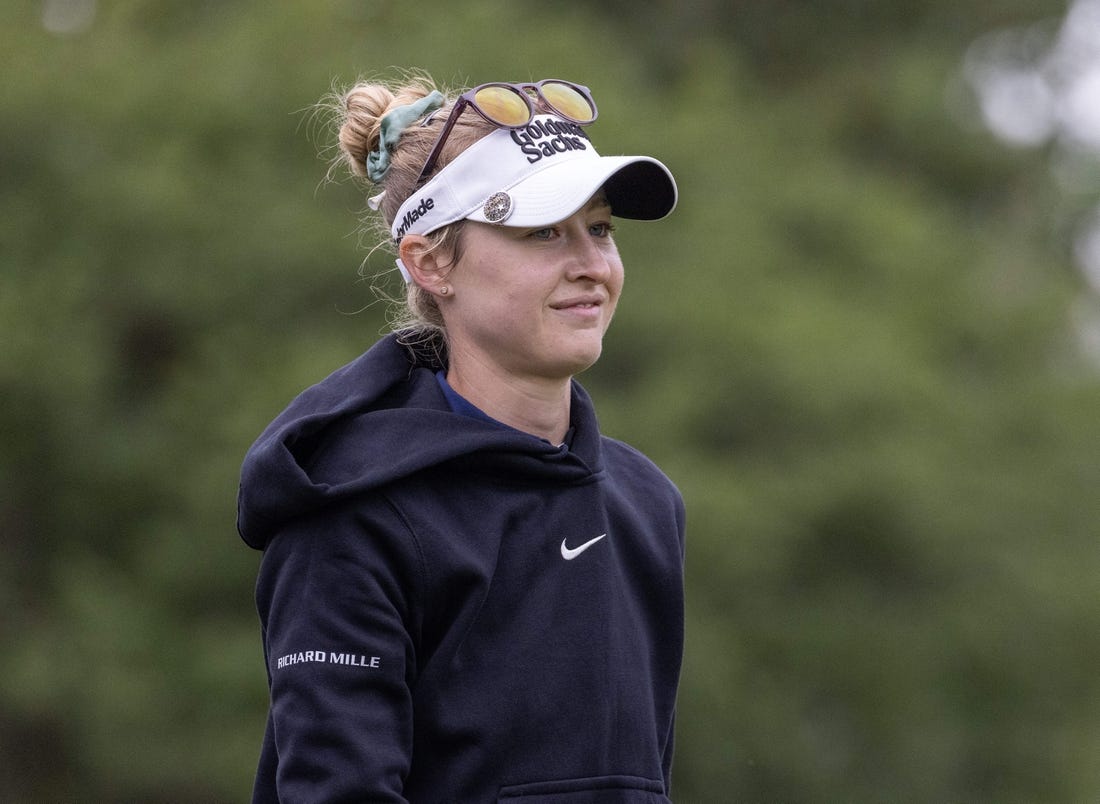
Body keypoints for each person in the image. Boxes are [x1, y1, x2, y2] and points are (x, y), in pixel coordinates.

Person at [237, 72, 685, 803]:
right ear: (430, 262)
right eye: (542, 230)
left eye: (599, 228)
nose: (591, 265)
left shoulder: (647, 505)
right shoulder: (353, 517)